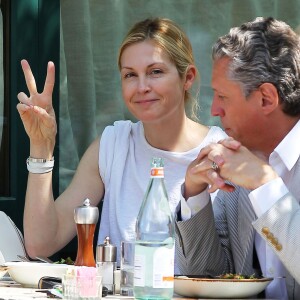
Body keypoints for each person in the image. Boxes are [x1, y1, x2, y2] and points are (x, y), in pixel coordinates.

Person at [16, 18, 226, 267]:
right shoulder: (113, 145)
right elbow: (41, 243)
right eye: (130, 75)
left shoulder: (220, 152)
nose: (142, 87)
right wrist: (41, 146)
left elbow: (230, 269)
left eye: (155, 72)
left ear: (188, 77)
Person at [175, 17, 300, 299]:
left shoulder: (248, 170)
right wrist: (195, 196)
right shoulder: (240, 160)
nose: (215, 110)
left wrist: (265, 184)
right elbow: (207, 275)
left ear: (266, 98)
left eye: (222, 96)